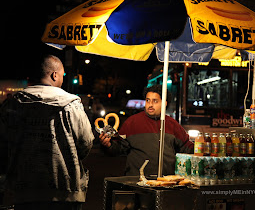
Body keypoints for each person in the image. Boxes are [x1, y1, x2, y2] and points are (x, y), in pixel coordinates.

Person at [0, 55, 94, 210]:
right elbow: (85, 144)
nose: (63, 79)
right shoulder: (72, 105)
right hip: (65, 193)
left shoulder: (14, 103)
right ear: (54, 75)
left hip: (24, 192)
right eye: (62, 75)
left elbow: (3, 142)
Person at [100, 85, 194, 176]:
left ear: (164, 103)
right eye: (148, 100)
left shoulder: (172, 124)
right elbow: (119, 146)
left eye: (155, 101)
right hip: (136, 181)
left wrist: (202, 148)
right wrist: (108, 145)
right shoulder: (132, 122)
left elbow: (186, 147)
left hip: (166, 182)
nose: (150, 105)